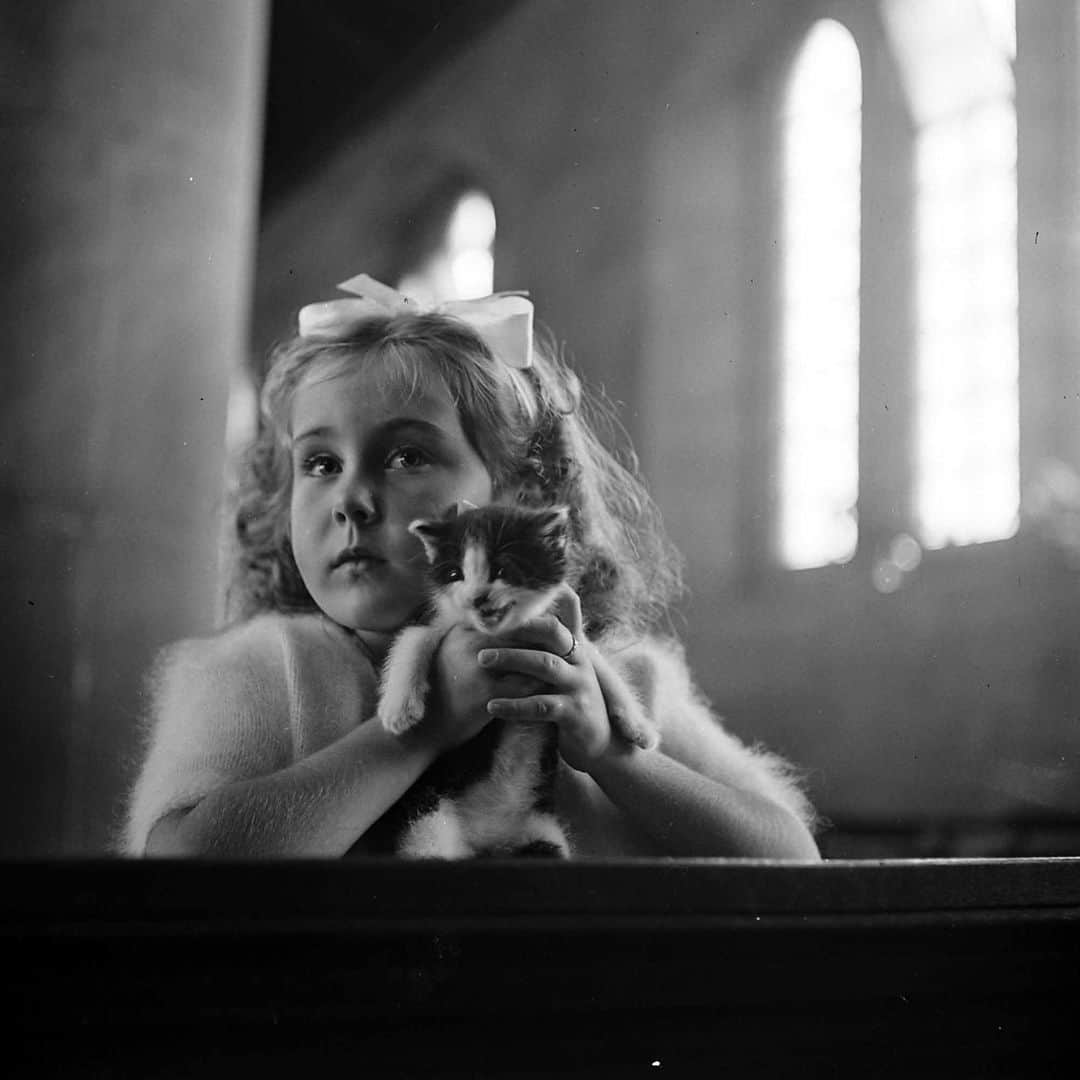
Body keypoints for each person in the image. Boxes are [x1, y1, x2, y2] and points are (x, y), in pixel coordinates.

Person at [123, 274, 820, 860]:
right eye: (322, 463)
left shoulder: (617, 678)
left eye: (407, 457)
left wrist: (614, 754)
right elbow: (181, 857)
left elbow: (789, 854)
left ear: (515, 495)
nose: (352, 501)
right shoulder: (258, 672)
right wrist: (420, 730)